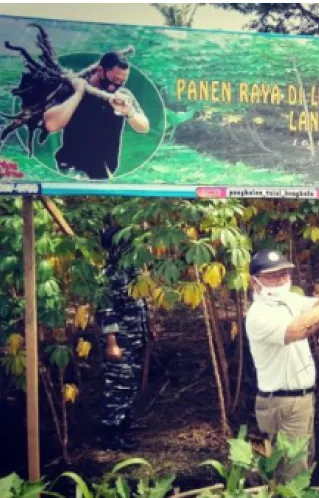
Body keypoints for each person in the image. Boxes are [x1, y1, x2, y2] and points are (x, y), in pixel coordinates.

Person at [245, 247, 319, 482]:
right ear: (255, 282)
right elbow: (298, 329)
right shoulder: (258, 314)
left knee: (302, 464)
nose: (281, 280)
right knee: (289, 473)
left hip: (300, 401)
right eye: (272, 275)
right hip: (281, 403)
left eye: (284, 274)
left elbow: (317, 310)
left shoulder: (287, 300)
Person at [44, 52, 150, 180]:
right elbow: (51, 125)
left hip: (104, 169)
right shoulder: (73, 89)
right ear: (100, 70)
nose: (116, 85)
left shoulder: (122, 94)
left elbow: (144, 127)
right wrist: (78, 94)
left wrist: (129, 112)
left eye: (122, 82)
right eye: (114, 80)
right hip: (74, 166)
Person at [96, 225, 150, 451]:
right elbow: (106, 310)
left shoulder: (131, 271)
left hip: (134, 337)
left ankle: (124, 426)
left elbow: (139, 302)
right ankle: (110, 434)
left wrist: (149, 327)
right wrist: (112, 343)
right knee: (118, 387)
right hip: (120, 341)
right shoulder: (109, 274)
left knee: (129, 385)